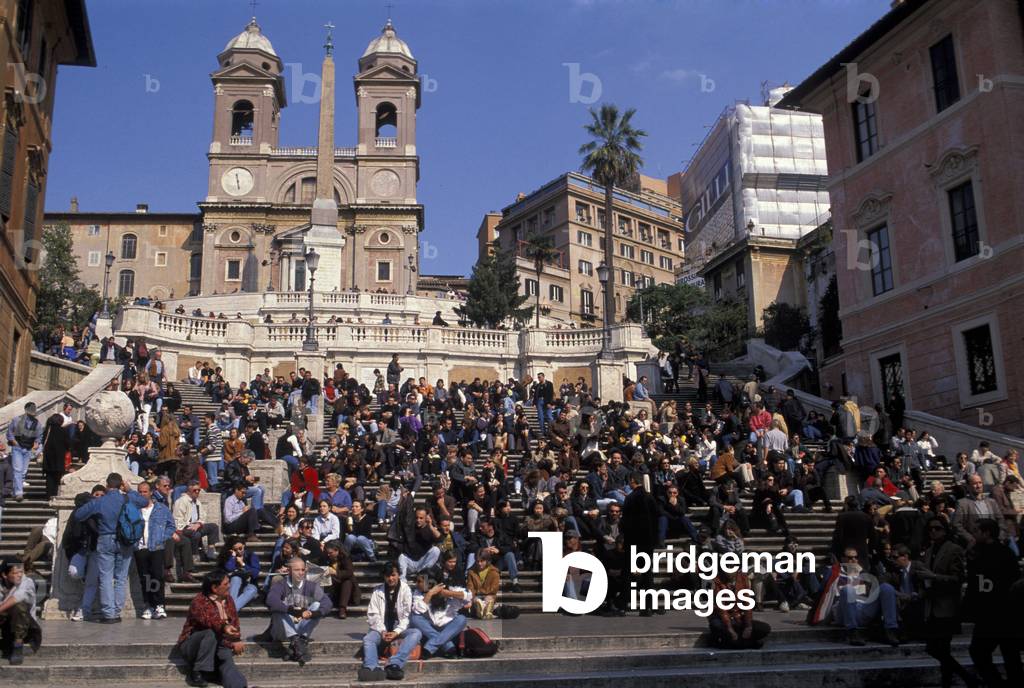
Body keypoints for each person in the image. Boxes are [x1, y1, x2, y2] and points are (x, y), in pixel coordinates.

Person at [72, 472, 150, 622]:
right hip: (126, 540)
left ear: (107, 485)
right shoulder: (128, 497)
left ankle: (109, 614)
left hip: (106, 538)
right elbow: (144, 502)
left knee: (106, 577)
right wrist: (129, 489)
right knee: (121, 577)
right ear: (121, 484)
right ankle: (116, 610)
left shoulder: (100, 501)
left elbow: (79, 515)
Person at [965, 518, 1022, 687]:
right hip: (990, 613)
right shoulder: (979, 552)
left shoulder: (1002, 553)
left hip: (1000, 613)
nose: (973, 535)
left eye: (976, 531)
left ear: (986, 532)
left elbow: (1012, 583)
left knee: (1004, 653)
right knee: (999, 654)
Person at [919, 517, 974, 688]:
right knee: (939, 649)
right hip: (932, 605)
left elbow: (958, 578)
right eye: (931, 529)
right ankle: (955, 681)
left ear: (945, 529)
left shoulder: (954, 549)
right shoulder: (928, 551)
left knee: (938, 648)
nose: (933, 531)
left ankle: (966, 678)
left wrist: (934, 577)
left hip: (947, 606)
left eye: (937, 528)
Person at [176, 569, 247, 688]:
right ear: (214, 588)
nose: (229, 586)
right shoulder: (199, 601)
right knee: (210, 633)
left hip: (220, 642)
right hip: (194, 645)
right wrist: (225, 628)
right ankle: (197, 672)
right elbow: (210, 620)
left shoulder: (229, 600)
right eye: (226, 584)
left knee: (227, 662)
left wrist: (236, 639)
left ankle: (240, 686)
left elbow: (234, 622)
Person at [360, 563, 422, 682]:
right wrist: (382, 630)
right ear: (384, 576)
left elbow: (406, 616)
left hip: (399, 629)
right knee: (368, 639)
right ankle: (371, 667)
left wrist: (396, 632)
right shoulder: (377, 591)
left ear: (398, 575)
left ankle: (394, 664)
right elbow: (373, 614)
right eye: (387, 576)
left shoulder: (405, 589)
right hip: (381, 629)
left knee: (416, 633)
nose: (391, 579)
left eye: (393, 575)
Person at [266, 557, 332, 664]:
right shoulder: (280, 585)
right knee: (278, 608)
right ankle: (296, 641)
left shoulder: (311, 585)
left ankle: (296, 645)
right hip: (282, 630)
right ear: (289, 570)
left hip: (300, 627)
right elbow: (271, 601)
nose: (301, 573)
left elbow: (327, 602)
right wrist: (291, 611)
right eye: (297, 570)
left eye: (303, 570)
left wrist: (313, 613)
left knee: (317, 604)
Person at [134, 480, 177, 620]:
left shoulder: (161, 508)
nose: (142, 494)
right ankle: (148, 605)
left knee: (157, 576)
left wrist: (162, 537)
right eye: (139, 492)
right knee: (144, 578)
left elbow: (171, 526)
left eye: (144, 491)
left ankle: (159, 604)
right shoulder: (134, 509)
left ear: (150, 492)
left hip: (156, 546)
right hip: (140, 547)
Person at [409, 570, 470, 659]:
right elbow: (417, 610)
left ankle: (430, 647)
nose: (416, 584)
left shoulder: (448, 588)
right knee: (415, 619)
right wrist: (430, 594)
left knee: (462, 619)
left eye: (419, 581)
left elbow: (468, 596)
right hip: (430, 626)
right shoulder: (417, 593)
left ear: (428, 582)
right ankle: (448, 647)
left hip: (447, 625)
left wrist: (448, 593)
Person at [707, 569, 771, 649]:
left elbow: (747, 604)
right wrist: (730, 628)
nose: (729, 570)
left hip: (738, 617)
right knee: (716, 626)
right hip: (722, 619)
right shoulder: (717, 580)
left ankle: (734, 643)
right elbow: (722, 609)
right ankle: (747, 644)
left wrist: (748, 626)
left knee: (764, 628)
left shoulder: (743, 578)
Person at [173, 480, 221, 582]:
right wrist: (190, 526)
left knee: (213, 527)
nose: (197, 492)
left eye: (199, 490)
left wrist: (198, 523)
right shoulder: (181, 501)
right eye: (195, 490)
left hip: (196, 525)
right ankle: (194, 557)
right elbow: (178, 519)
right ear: (189, 490)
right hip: (184, 528)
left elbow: (203, 515)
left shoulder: (197, 502)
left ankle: (211, 551)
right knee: (195, 534)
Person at [0, 561, 41, 666]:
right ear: (5, 575)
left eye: (21, 572)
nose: (19, 575)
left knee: (18, 606)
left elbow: (19, 596)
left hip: (26, 629)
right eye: (15, 573)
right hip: (6, 628)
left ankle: (18, 646)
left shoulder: (27, 582)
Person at [5, 402, 43, 501]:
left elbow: (39, 435)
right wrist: (13, 441)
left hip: (28, 449)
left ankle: (15, 491)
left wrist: (37, 443)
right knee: (18, 470)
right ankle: (19, 492)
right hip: (17, 448)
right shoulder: (17, 420)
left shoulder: (37, 423)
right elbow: (9, 432)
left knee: (23, 472)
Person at [218, 538, 261, 611]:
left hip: (248, 584)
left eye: (240, 548)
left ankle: (229, 609)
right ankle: (231, 611)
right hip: (233, 587)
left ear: (244, 546)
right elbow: (229, 568)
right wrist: (232, 557)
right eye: (235, 549)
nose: (238, 551)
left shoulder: (251, 556)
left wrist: (243, 564)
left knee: (252, 590)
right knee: (236, 578)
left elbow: (255, 573)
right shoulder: (230, 557)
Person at [397, 508, 441, 579]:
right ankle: (402, 580)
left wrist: (430, 525)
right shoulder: (409, 527)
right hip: (410, 562)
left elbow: (440, 539)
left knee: (436, 550)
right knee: (401, 557)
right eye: (416, 518)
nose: (418, 520)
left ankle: (422, 573)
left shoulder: (429, 528)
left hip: (423, 563)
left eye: (421, 518)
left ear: (426, 518)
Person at [41, 413, 69, 499]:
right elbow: (68, 444)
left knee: (49, 477)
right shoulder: (63, 431)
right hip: (59, 458)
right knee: (57, 478)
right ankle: (54, 495)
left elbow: (43, 441)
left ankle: (48, 495)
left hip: (48, 458)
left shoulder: (47, 430)